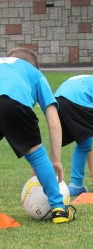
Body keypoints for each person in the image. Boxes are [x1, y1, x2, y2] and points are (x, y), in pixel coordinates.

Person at [0, 47, 75, 224]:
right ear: (33, 66)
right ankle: (58, 209)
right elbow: (54, 121)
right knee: (36, 154)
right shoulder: (35, 74)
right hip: (13, 102)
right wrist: (55, 160)